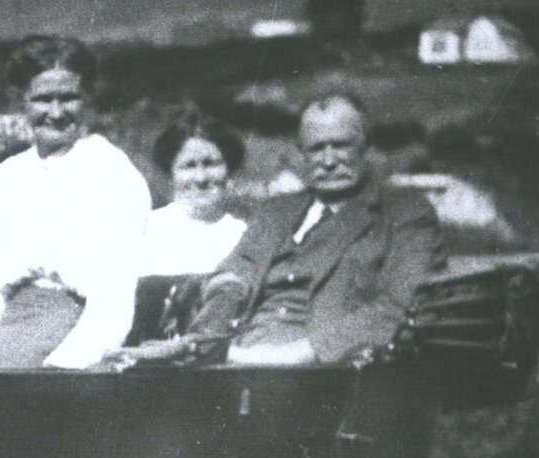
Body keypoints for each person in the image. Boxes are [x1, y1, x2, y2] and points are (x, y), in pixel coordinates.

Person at [187, 92, 440, 366]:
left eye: (341, 145)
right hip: (236, 357)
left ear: (365, 146)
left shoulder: (405, 214)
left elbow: (398, 305)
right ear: (302, 153)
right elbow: (236, 272)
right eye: (316, 148)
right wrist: (207, 336)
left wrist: (294, 355)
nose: (328, 161)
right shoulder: (275, 212)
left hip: (324, 370)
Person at [0, 35, 152, 369]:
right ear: (20, 100)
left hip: (63, 326)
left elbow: (114, 299)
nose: (56, 112)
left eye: (68, 98)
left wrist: (64, 369)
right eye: (42, 99)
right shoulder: (4, 177)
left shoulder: (113, 175)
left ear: (88, 99)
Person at [143, 109, 248, 274]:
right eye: (188, 166)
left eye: (211, 163)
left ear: (229, 166)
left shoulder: (245, 234)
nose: (201, 178)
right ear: (170, 172)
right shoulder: (146, 231)